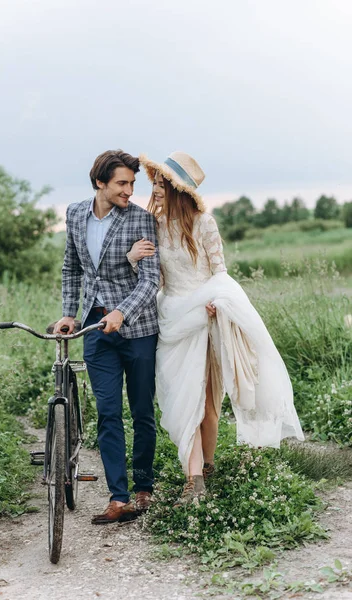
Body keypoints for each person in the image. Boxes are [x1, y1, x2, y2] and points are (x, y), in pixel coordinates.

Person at [127, 151, 304, 505]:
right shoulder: (155, 225)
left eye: (162, 184)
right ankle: (193, 480)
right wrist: (133, 261)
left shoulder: (204, 223)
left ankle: (205, 468)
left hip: (204, 316)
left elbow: (219, 272)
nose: (156, 190)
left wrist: (218, 303)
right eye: (156, 184)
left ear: (179, 189)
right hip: (173, 318)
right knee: (180, 399)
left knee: (207, 403)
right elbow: (156, 280)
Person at [54, 150, 160, 524]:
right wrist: (70, 312)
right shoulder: (75, 213)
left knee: (142, 411)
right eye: (122, 183)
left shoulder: (141, 221)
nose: (130, 190)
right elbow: (71, 267)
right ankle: (119, 498)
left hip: (138, 330)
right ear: (100, 182)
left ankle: (144, 486)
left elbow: (150, 281)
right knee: (108, 413)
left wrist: (121, 312)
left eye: (133, 183)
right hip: (94, 329)